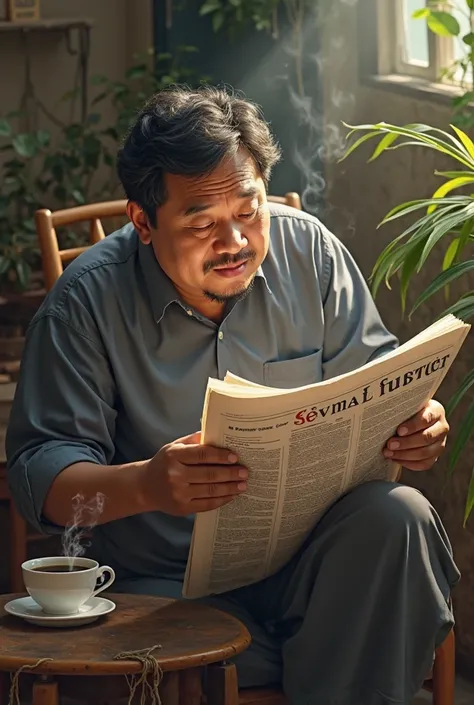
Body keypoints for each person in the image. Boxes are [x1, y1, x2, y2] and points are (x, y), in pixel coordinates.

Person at [6, 85, 458, 705]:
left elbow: (380, 377)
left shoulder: (313, 254)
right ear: (143, 221)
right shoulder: (84, 305)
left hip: (312, 571)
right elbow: (38, 478)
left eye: (249, 211)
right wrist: (148, 485)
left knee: (399, 516)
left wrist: (417, 420)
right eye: (202, 223)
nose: (235, 242)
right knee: (160, 655)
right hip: (164, 589)